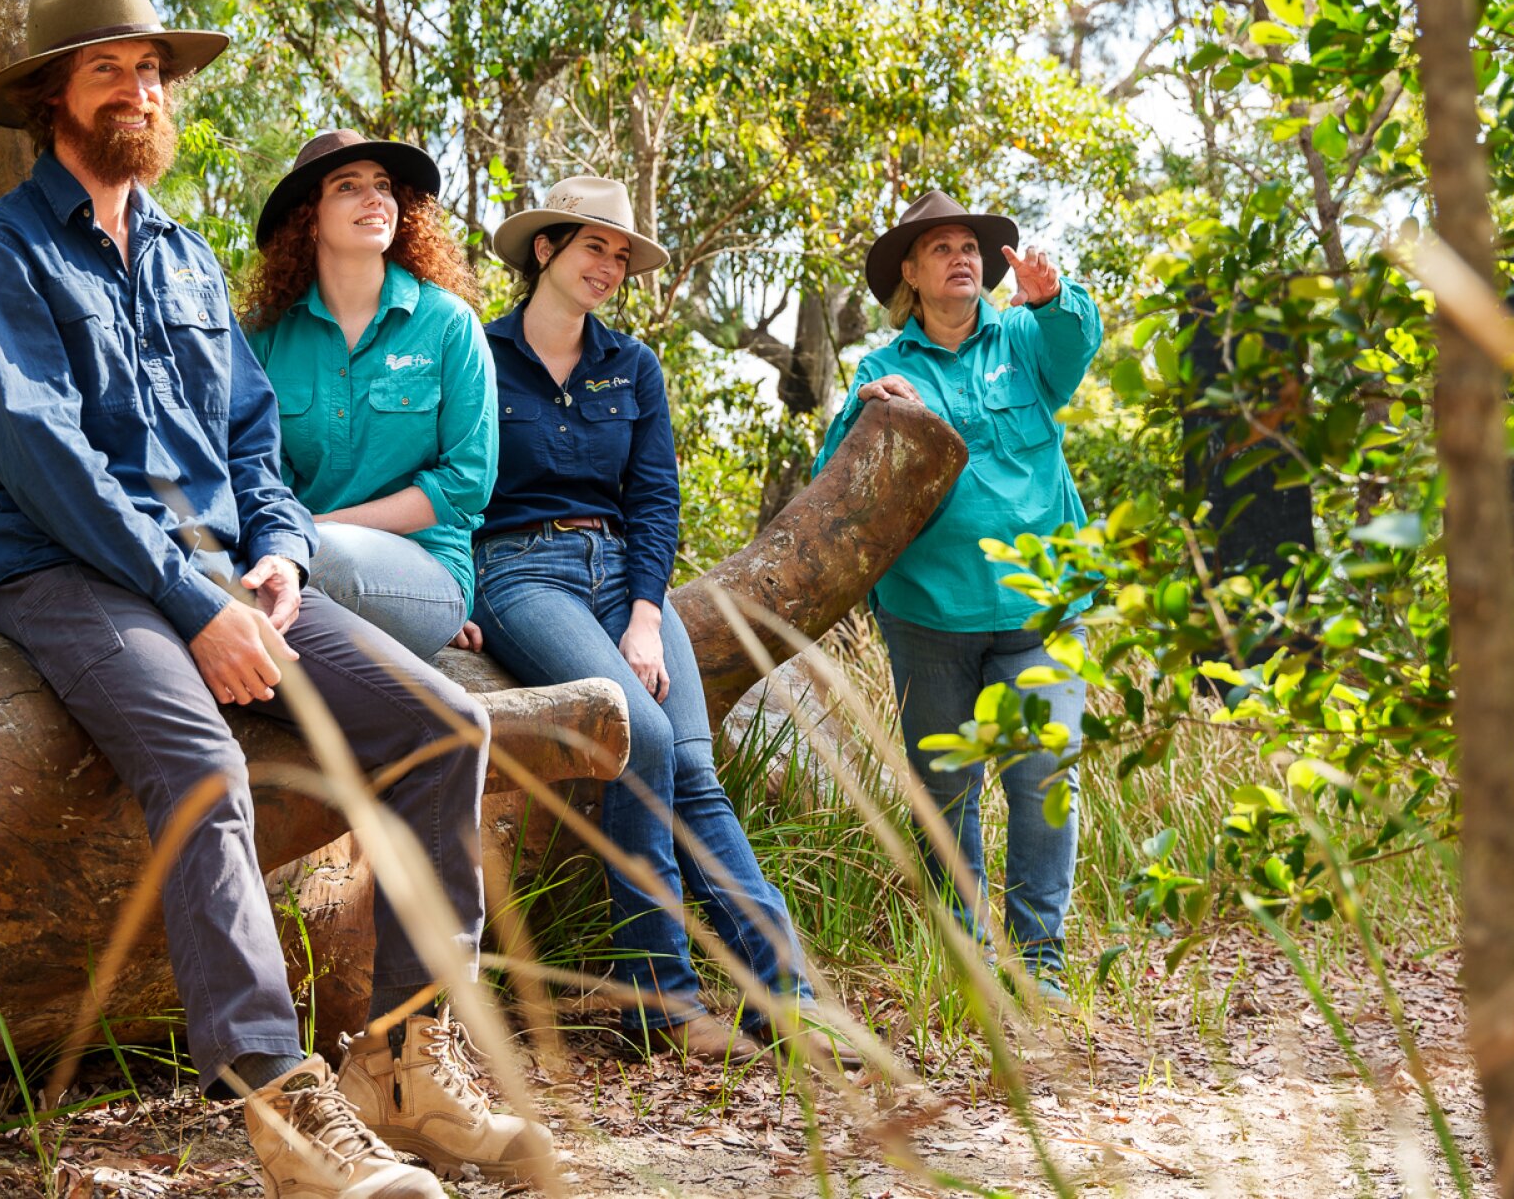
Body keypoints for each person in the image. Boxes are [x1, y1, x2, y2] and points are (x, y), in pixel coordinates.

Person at [0, 0, 549, 1198]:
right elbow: (46, 462)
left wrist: (280, 550)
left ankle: (405, 1059)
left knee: (444, 724)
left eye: (152, 69)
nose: (140, 89)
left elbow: (252, 442)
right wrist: (191, 601)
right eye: (111, 67)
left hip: (227, 574)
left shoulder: (184, 258)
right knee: (203, 765)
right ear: (54, 96)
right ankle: (281, 1106)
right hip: (66, 574)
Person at [468, 176, 810, 1060]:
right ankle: (659, 1001)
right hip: (522, 571)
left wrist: (647, 617)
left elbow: (656, 500)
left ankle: (790, 1000)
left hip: (624, 573)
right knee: (644, 741)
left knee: (691, 765)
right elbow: (453, 481)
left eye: (622, 256)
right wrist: (451, 591)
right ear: (545, 250)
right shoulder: (475, 352)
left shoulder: (634, 365)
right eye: (595, 248)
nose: (612, 267)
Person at [812, 190, 1102, 1001]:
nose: (962, 257)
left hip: (1042, 605)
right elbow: (841, 482)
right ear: (910, 273)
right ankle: (967, 954)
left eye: (970, 246)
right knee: (946, 790)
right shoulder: (883, 367)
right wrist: (866, 418)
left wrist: (1054, 299)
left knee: (1043, 774)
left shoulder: (1025, 338)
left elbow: (1078, 344)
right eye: (941, 248)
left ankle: (1040, 962)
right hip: (929, 614)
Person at [243, 130, 496, 662]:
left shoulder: (449, 324)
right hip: (293, 557)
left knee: (321, 557)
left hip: (422, 565)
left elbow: (467, 482)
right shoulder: (265, 337)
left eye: (382, 185)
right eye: (348, 186)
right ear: (308, 217)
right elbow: (254, 469)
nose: (375, 198)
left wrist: (310, 532)